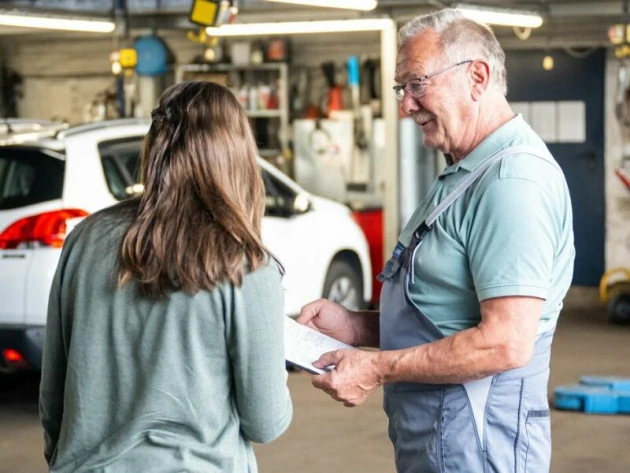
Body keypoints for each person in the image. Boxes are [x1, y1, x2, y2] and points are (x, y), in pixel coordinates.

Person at [298, 8, 574, 473]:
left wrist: (375, 367)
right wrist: (355, 327)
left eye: (417, 83)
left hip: (477, 439)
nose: (405, 105)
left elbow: (504, 343)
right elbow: (444, 315)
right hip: (439, 434)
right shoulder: (465, 172)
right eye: (401, 89)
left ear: (477, 77)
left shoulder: (512, 182)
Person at [40, 81, 292, 473]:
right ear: (237, 154)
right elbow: (266, 421)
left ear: (155, 145)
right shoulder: (243, 264)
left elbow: (53, 393)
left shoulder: (84, 239)